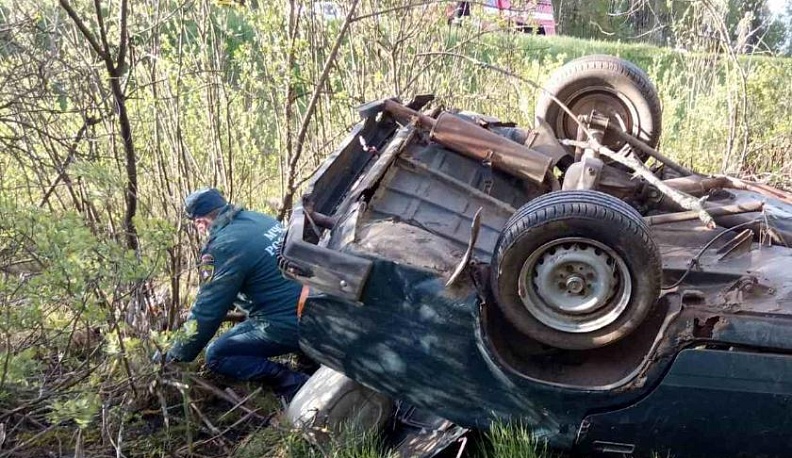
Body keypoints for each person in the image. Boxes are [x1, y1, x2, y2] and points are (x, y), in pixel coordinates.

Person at [166, 188, 309, 401]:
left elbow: (207, 311)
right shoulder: (258, 218)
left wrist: (176, 354)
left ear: (200, 223)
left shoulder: (221, 247)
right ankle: (307, 357)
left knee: (218, 354)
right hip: (314, 302)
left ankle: (293, 383)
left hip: (292, 323)